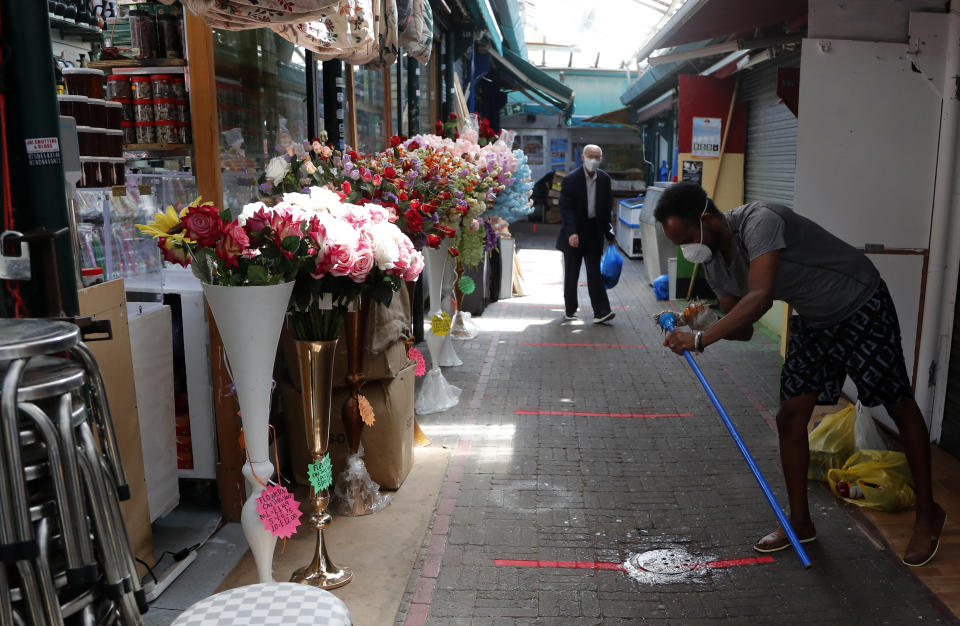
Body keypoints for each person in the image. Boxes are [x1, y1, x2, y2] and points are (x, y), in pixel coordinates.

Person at [653, 182, 945, 567]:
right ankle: (800, 522)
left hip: (860, 304)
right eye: (679, 243)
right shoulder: (713, 263)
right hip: (813, 319)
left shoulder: (760, 221)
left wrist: (701, 338)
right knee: (790, 417)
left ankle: (927, 514)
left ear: (706, 217)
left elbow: (759, 296)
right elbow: (744, 327)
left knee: (898, 404)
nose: (686, 249)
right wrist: (702, 319)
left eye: (687, 237)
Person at [555, 144, 616, 324]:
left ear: (601, 159)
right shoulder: (570, 180)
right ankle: (570, 309)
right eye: (590, 156)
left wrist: (610, 233)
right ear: (582, 157)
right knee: (572, 274)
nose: (593, 160)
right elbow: (566, 209)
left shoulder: (604, 180)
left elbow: (605, 209)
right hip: (574, 232)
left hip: (594, 232)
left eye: (597, 157)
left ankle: (601, 312)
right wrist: (572, 233)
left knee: (594, 273)